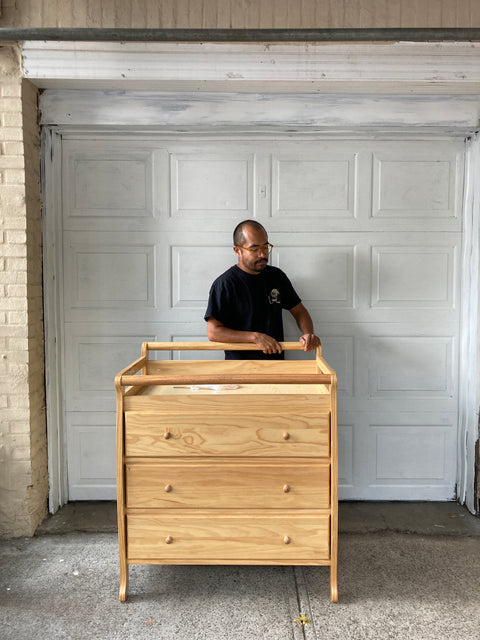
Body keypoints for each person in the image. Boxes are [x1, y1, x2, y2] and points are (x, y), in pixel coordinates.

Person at [204, 219, 321, 359]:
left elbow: (299, 311)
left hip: (275, 367)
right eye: (254, 249)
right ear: (237, 251)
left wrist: (308, 333)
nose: (263, 255)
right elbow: (214, 332)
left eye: (265, 247)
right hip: (239, 369)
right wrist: (255, 337)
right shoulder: (225, 284)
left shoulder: (277, 276)